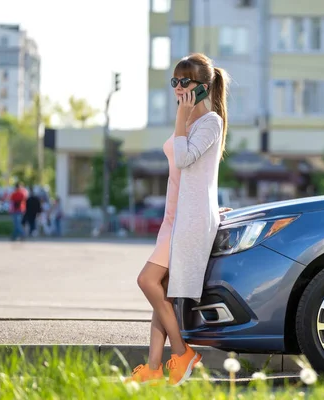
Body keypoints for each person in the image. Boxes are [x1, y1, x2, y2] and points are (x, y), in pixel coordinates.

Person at [126, 53, 232, 386]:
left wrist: (182, 117)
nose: (179, 88)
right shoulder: (189, 121)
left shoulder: (210, 122)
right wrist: (182, 117)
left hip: (188, 220)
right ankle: (155, 368)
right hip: (173, 218)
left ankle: (182, 352)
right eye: (175, 82)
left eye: (185, 82)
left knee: (148, 282)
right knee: (161, 294)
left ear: (203, 87)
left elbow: (185, 158)